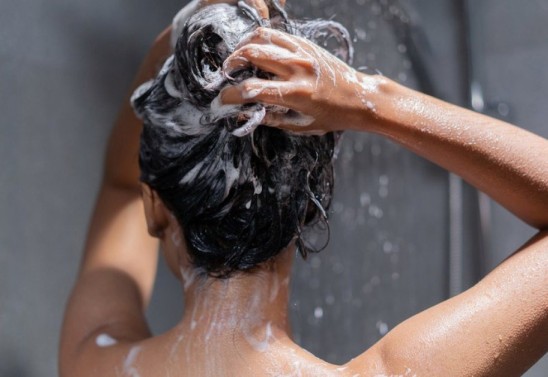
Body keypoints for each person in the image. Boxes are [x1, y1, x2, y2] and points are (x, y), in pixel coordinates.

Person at [59, 0, 548, 376]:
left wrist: (195, 26)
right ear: (310, 207)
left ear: (155, 210)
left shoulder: (93, 360)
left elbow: (122, 182)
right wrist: (369, 99)